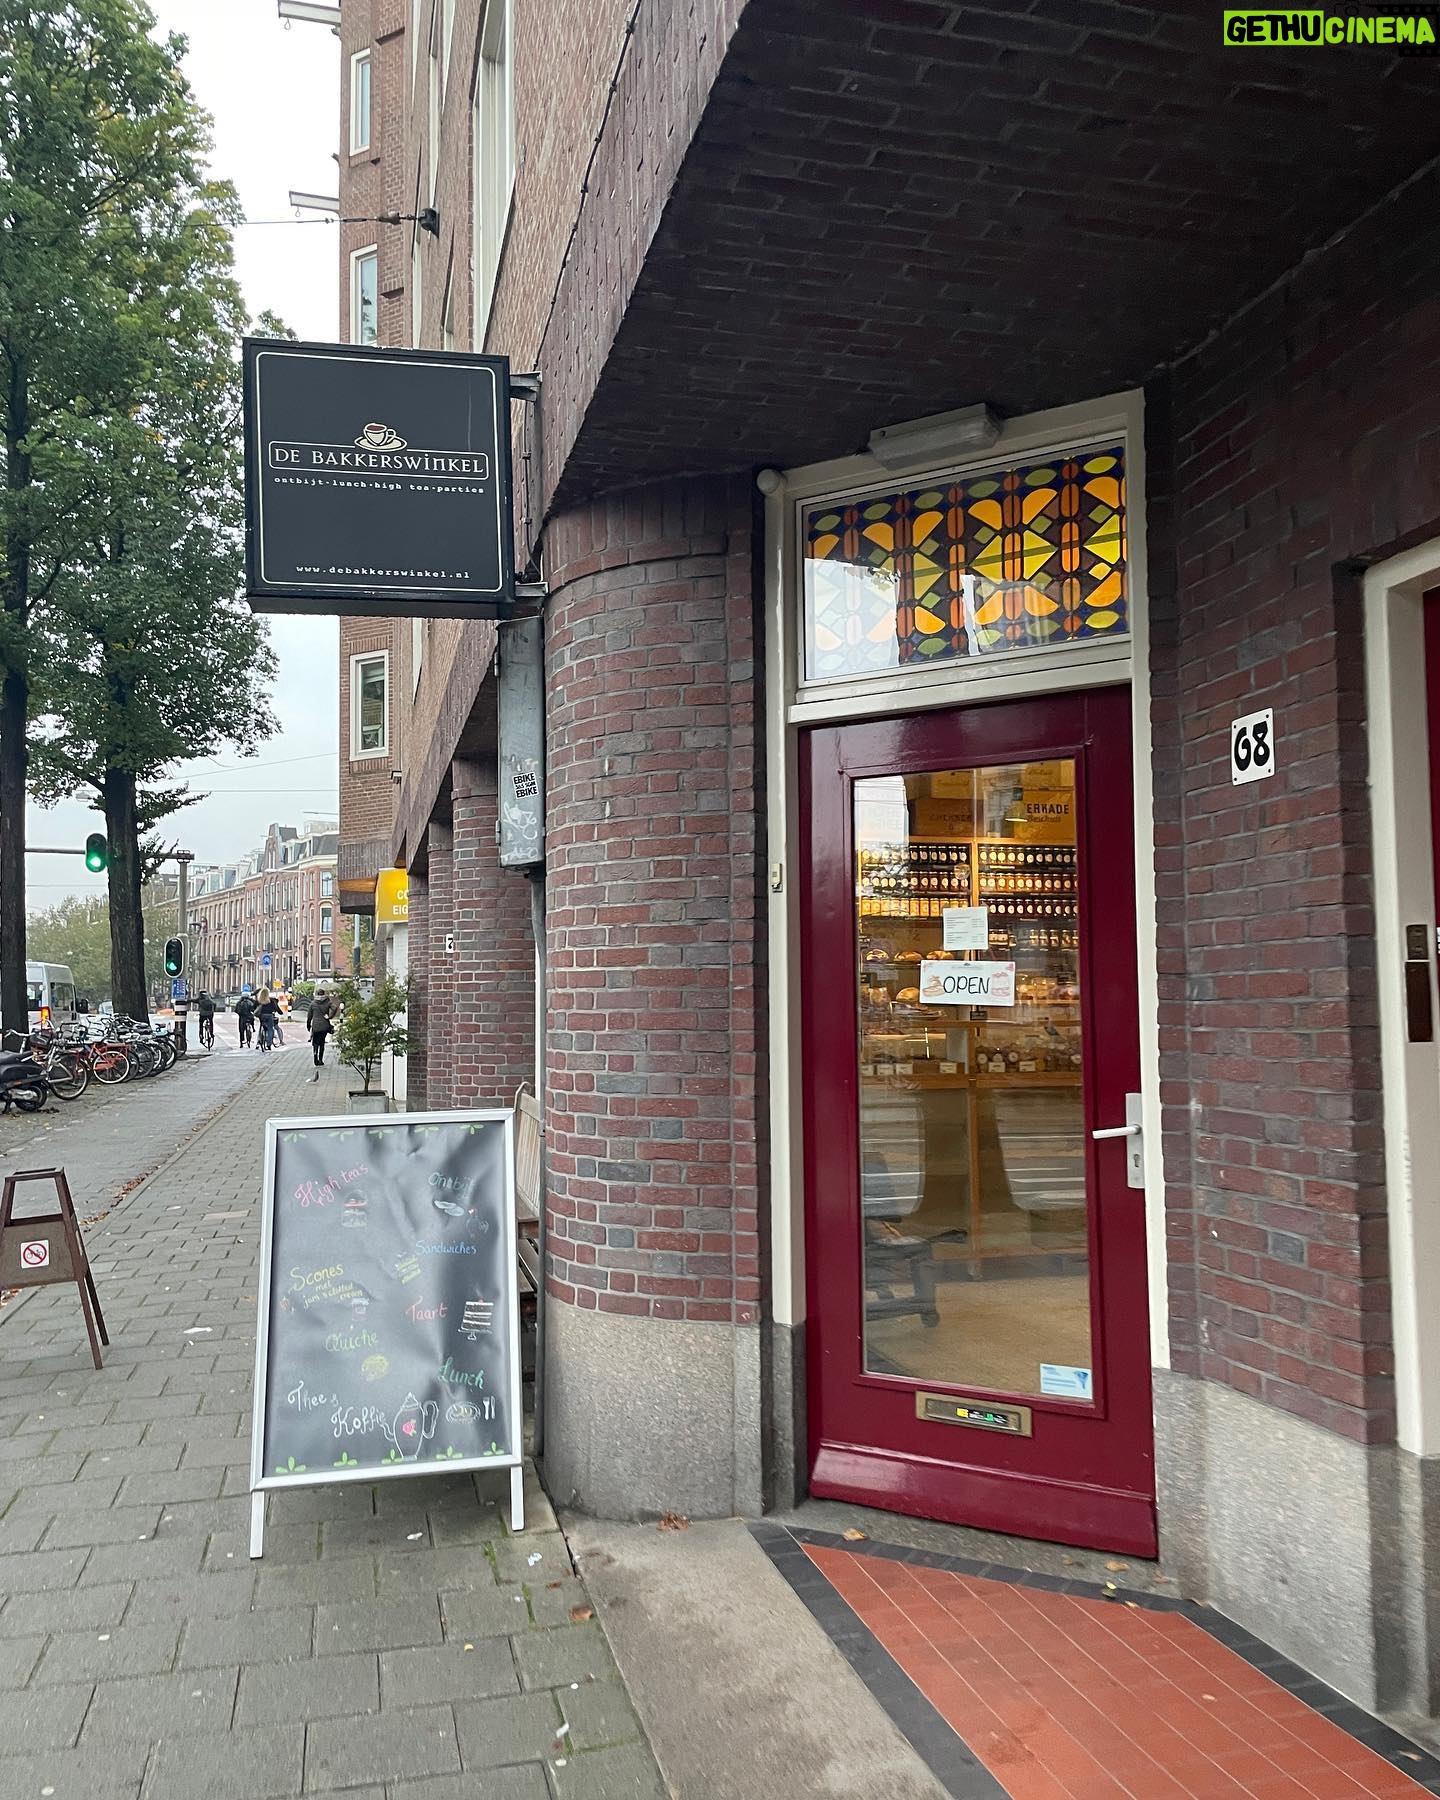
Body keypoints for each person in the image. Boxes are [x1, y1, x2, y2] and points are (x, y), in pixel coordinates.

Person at [306, 988, 336, 1082]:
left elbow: (309, 1016)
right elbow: (335, 1008)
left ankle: (315, 1057)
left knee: (315, 1043)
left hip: (315, 1026)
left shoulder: (313, 1003)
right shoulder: (327, 1002)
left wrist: (308, 1025)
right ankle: (320, 1060)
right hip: (324, 1025)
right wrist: (330, 1016)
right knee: (322, 1043)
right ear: (324, 994)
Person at [257, 989, 281, 1053]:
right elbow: (276, 1008)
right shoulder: (271, 1000)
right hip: (269, 1016)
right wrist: (280, 1012)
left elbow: (254, 1007)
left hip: (261, 1016)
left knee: (261, 1027)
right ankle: (269, 1044)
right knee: (270, 1029)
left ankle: (259, 1040)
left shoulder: (259, 1001)